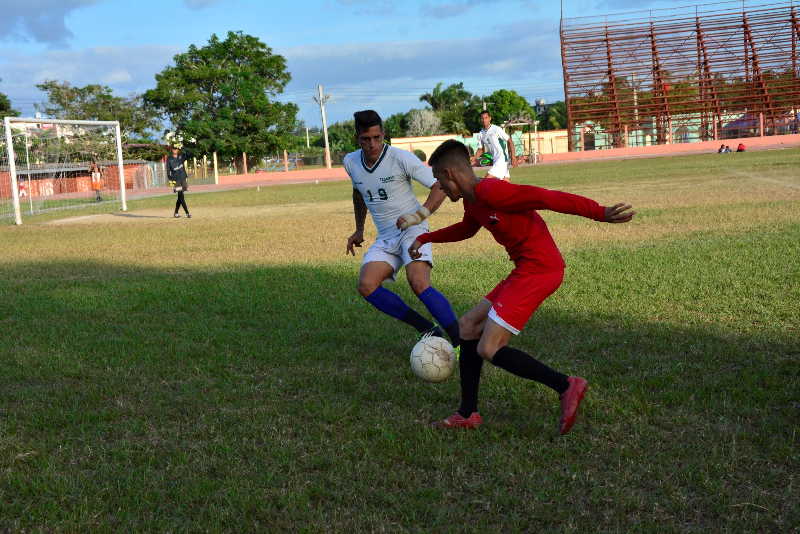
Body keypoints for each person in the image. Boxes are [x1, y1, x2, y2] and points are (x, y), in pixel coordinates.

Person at [407, 140, 635, 434]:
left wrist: (599, 212)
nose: (439, 186)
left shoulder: (492, 190)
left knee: (489, 347)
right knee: (467, 327)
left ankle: (566, 385)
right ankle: (468, 413)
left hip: (541, 271)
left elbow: (546, 197)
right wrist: (426, 239)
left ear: (450, 174)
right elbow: (467, 229)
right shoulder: (472, 201)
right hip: (524, 270)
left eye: (438, 179)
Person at [345, 110, 460, 347]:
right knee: (366, 285)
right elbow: (359, 192)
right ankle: (427, 329)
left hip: (412, 230)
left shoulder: (400, 158)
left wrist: (418, 216)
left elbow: (440, 185)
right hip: (386, 236)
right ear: (357, 138)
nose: (372, 144)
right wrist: (359, 230)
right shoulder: (351, 162)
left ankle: (462, 341)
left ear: (383, 134)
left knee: (418, 282)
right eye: (366, 139)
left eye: (377, 137)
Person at [472, 111, 516, 181]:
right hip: (495, 160)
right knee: (505, 184)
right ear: (480, 120)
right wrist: (474, 159)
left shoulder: (496, 129)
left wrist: (513, 157)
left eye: (486, 118)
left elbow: (509, 141)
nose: (484, 120)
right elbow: (480, 149)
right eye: (482, 118)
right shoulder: (480, 134)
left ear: (490, 118)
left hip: (502, 159)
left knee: (487, 180)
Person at [166, 146, 191, 218]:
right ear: (171, 150)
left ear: (178, 149)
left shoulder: (181, 157)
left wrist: (183, 148)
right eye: (174, 148)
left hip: (183, 178)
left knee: (180, 197)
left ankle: (176, 213)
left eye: (176, 148)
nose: (175, 150)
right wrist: (170, 178)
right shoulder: (169, 159)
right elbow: (168, 169)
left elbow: (188, 154)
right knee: (181, 196)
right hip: (176, 179)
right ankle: (187, 213)